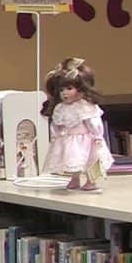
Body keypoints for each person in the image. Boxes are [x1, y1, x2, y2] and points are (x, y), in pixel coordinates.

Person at [40, 57, 114, 191]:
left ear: (81, 89)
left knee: (90, 160)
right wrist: (56, 135)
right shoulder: (61, 108)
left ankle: (91, 181)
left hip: (86, 139)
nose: (65, 93)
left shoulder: (85, 106)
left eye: (69, 88)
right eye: (62, 90)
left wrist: (97, 135)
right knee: (71, 160)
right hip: (68, 139)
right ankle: (75, 179)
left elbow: (93, 122)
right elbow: (56, 123)